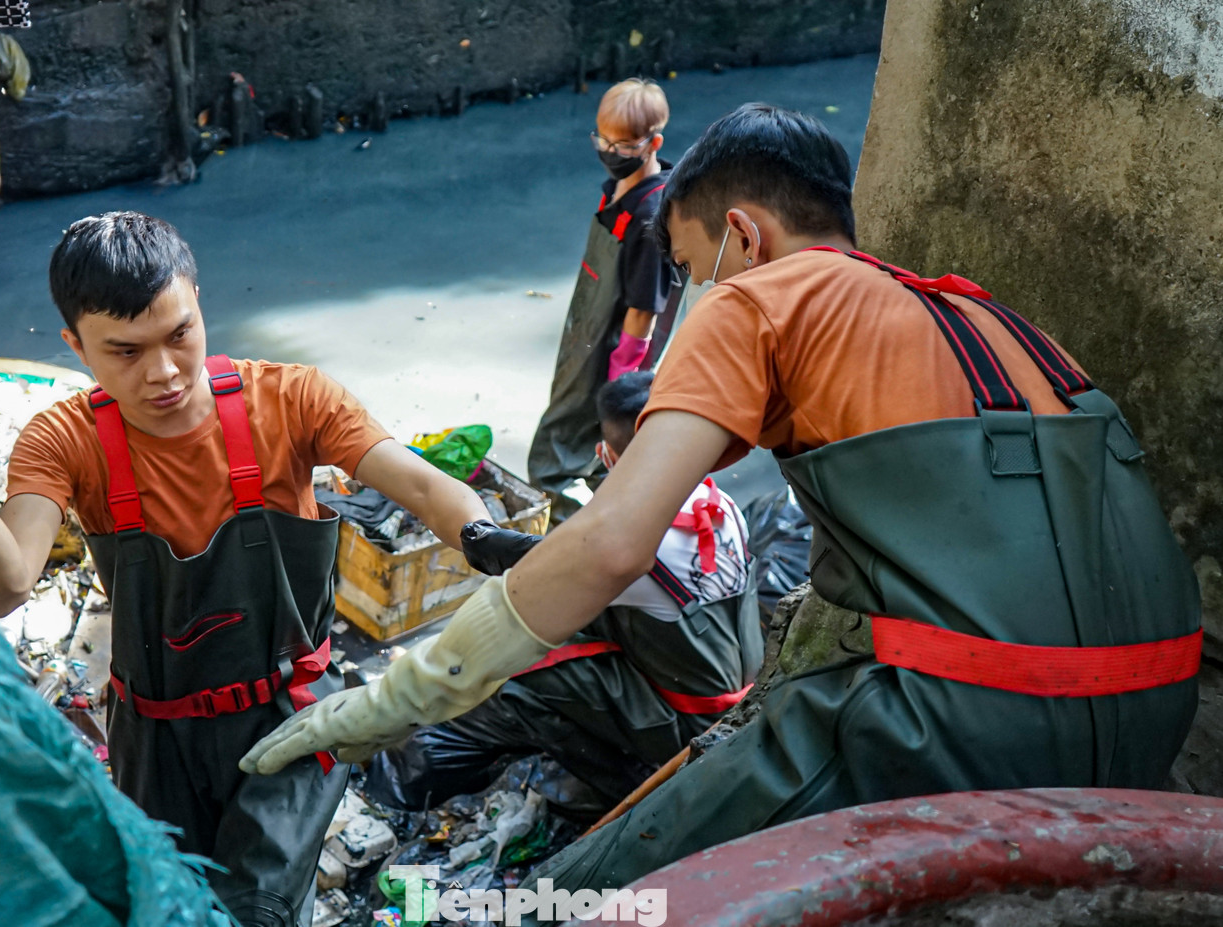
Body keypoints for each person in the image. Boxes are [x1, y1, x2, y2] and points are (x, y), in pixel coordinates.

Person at [237, 103, 1201, 899]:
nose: (699, 293)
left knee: (594, 893)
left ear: (743, 234)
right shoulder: (990, 317)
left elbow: (611, 543)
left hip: (972, 715)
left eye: (694, 269)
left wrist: (398, 699)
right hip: (1164, 704)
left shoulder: (757, 298)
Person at [0, 211, 527, 927]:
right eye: (125, 351)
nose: (162, 371)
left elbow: (423, 486)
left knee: (258, 911)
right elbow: (8, 585)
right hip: (153, 733)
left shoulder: (291, 398)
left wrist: (478, 533)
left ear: (197, 300)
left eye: (179, 334)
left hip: (291, 713)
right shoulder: (64, 439)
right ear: (76, 346)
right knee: (164, 904)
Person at [362, 371, 762, 815]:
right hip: (731, 686)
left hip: (687, 721)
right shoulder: (714, 499)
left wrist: (482, 542)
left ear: (604, 454)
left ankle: (629, 788)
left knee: (516, 681)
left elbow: (537, 581)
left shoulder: (629, 543)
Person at [527, 77, 680, 523]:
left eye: (624, 145)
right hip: (584, 335)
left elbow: (643, 310)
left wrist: (621, 378)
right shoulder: (616, 188)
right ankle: (606, 519)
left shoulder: (650, 215)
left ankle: (561, 539)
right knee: (590, 449)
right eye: (604, 141)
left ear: (654, 143)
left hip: (612, 353)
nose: (611, 153)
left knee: (557, 451)